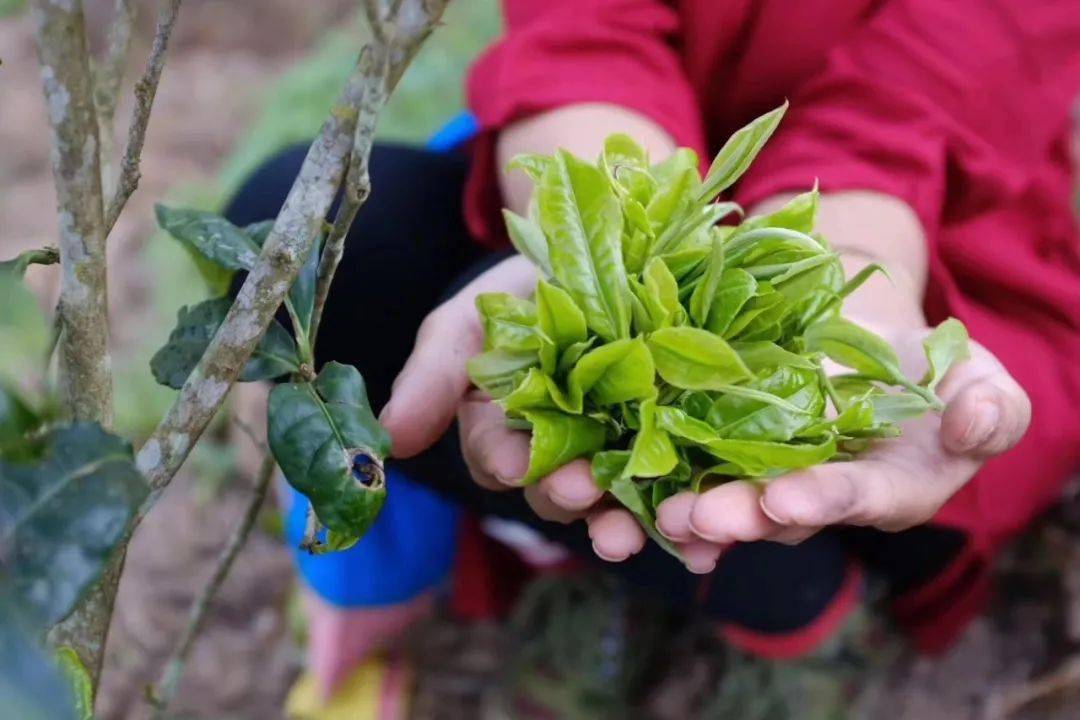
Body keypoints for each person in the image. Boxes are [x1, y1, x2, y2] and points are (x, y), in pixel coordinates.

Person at [226, 0, 1080, 699]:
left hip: (925, 264)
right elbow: (587, 39)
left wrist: (841, 277)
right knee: (306, 226)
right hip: (679, 194)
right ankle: (646, 564)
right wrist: (605, 242)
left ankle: (809, 617)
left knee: (792, 487)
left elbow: (900, 116)